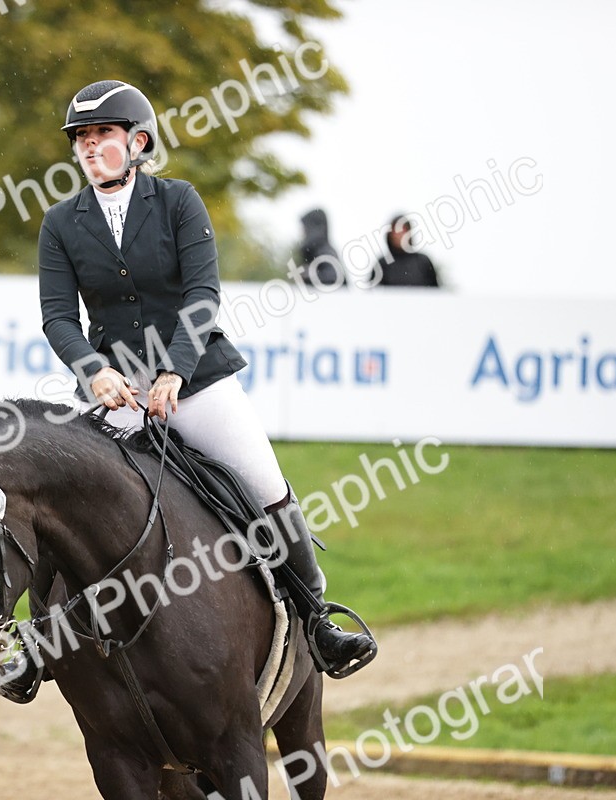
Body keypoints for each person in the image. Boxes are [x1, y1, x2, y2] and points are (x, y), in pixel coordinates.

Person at [38, 80, 375, 677]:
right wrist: (94, 372)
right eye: (82, 140)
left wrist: (174, 369)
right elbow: (59, 317)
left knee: (265, 486)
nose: (90, 148)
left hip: (198, 381)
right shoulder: (62, 223)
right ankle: (38, 642)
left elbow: (202, 295)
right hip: (117, 391)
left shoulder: (178, 202)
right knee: (61, 500)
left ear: (137, 141)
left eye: (103, 136)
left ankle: (318, 620)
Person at [380, 213, 440, 287]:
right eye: (396, 231)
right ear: (390, 234)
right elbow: (373, 294)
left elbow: (435, 293)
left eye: (403, 230)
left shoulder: (423, 262)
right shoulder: (382, 264)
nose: (399, 235)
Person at [296, 208, 344, 290]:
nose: (303, 232)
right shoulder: (311, 252)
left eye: (305, 227)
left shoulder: (325, 252)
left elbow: (333, 277)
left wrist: (309, 274)